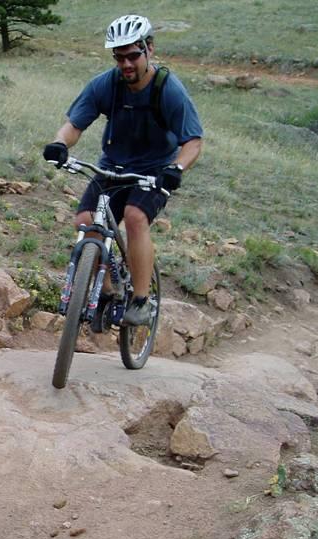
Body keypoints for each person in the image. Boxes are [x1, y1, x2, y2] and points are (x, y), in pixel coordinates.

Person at [43, 14, 203, 325]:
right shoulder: (106, 85)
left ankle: (141, 301)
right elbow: (74, 125)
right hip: (113, 166)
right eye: (119, 57)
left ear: (149, 49)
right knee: (86, 221)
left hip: (154, 170)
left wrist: (176, 169)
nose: (126, 64)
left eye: (133, 55)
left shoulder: (168, 89)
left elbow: (193, 142)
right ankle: (103, 291)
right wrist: (59, 144)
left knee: (134, 216)